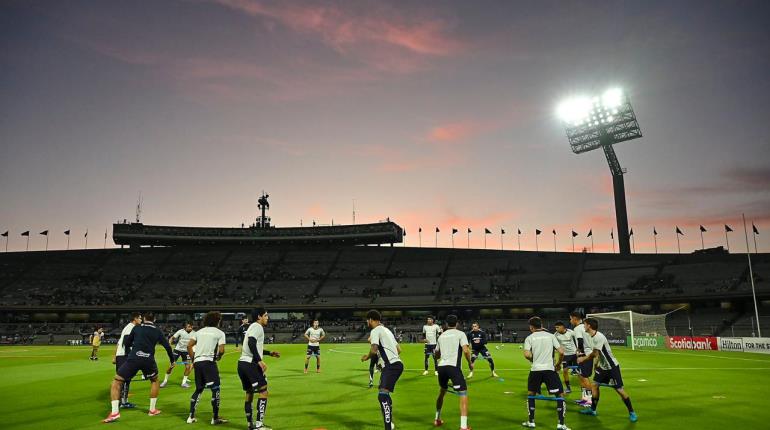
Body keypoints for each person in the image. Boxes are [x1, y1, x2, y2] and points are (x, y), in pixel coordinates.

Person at [103, 312, 174, 423]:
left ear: (144, 318)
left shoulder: (137, 328)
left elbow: (127, 342)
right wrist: (172, 361)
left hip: (134, 358)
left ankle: (115, 412)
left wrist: (129, 354)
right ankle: (152, 410)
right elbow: (167, 347)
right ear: (154, 319)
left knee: (116, 381)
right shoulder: (157, 330)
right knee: (155, 381)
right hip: (148, 360)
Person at [578, 317, 638, 422]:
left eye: (585, 324)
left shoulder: (599, 337)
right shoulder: (592, 336)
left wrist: (583, 358)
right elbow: (598, 354)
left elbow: (595, 353)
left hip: (611, 367)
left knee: (619, 390)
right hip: (602, 367)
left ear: (589, 326)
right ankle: (593, 410)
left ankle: (632, 412)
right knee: (595, 385)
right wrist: (596, 365)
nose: (583, 326)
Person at [522, 317, 568, 430]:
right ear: (541, 325)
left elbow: (527, 355)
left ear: (531, 327)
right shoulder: (551, 336)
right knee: (560, 395)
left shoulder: (529, 338)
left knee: (531, 394)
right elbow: (561, 352)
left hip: (535, 370)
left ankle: (531, 421)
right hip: (550, 370)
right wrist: (558, 364)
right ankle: (561, 424)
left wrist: (534, 360)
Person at [238, 307, 281, 430]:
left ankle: (250, 424)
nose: (268, 318)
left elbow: (254, 346)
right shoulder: (258, 327)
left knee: (249, 392)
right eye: (266, 315)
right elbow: (251, 343)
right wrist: (260, 360)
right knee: (263, 391)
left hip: (242, 364)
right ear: (259, 317)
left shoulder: (252, 327)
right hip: (251, 364)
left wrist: (269, 353)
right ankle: (259, 425)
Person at [361, 309, 403, 430]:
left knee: (382, 396)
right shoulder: (387, 330)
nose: (367, 322)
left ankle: (388, 427)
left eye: (367, 320)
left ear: (370, 320)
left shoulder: (375, 330)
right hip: (395, 364)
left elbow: (374, 349)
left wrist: (367, 357)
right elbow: (399, 350)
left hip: (391, 366)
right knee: (385, 394)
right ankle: (390, 422)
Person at [186, 311, 228, 425]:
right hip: (209, 362)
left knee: (199, 389)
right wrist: (219, 357)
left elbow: (189, 345)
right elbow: (222, 350)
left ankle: (191, 417)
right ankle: (215, 418)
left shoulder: (198, 332)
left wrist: (194, 358)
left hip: (198, 363)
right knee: (215, 389)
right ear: (217, 321)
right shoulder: (219, 333)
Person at [433, 315, 472, 430]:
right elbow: (466, 350)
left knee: (442, 392)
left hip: (441, 367)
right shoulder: (460, 334)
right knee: (463, 394)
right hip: (453, 367)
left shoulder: (441, 336)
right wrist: (470, 363)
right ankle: (463, 426)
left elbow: (436, 354)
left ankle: (437, 419)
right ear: (457, 323)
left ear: (446, 324)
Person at [112, 312, 142, 409]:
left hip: (121, 355)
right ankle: (123, 402)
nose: (141, 320)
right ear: (135, 319)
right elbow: (126, 343)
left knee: (122, 379)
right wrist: (132, 356)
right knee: (125, 379)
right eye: (140, 318)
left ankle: (121, 401)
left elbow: (119, 343)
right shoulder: (131, 328)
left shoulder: (127, 327)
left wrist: (114, 356)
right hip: (124, 356)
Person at [161, 322, 195, 388]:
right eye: (189, 326)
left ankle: (184, 383)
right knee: (171, 366)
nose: (190, 328)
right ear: (185, 327)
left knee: (188, 367)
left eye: (191, 326)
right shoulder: (180, 331)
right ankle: (165, 381)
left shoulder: (194, 333)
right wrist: (169, 344)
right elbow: (172, 338)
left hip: (186, 351)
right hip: (177, 350)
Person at [569, 311, 593, 406]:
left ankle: (589, 400)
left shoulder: (578, 328)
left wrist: (579, 352)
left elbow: (580, 341)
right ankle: (584, 398)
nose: (570, 321)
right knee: (581, 376)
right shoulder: (584, 327)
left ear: (575, 318)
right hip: (586, 354)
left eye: (570, 318)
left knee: (585, 377)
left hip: (584, 355)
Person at [553, 321, 578, 393]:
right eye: (555, 327)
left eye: (557, 327)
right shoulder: (555, 335)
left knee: (579, 371)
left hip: (574, 354)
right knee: (565, 371)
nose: (556, 329)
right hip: (565, 355)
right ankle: (568, 388)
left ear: (562, 327)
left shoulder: (571, 332)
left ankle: (584, 388)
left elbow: (578, 340)